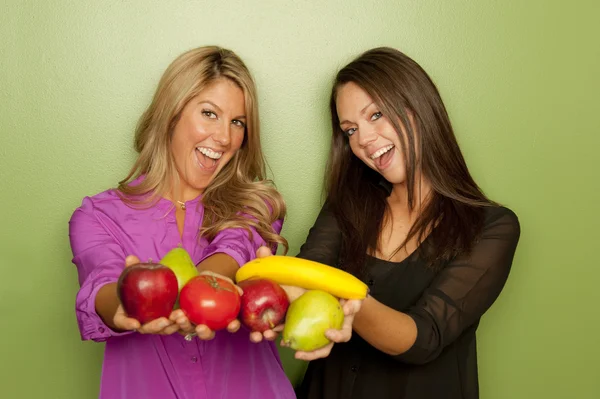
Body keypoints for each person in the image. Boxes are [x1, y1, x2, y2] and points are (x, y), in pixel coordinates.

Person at [258, 47, 521, 398]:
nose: (363, 140)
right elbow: (310, 271)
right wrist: (270, 287)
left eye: (376, 115)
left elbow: (424, 338)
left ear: (418, 108)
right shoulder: (346, 207)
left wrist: (350, 301)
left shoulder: (492, 227)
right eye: (350, 130)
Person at [68, 45, 296, 399]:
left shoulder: (255, 203)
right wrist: (130, 306)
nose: (224, 137)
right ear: (172, 113)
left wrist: (199, 289)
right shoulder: (97, 216)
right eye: (209, 113)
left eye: (238, 122)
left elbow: (236, 246)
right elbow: (101, 286)